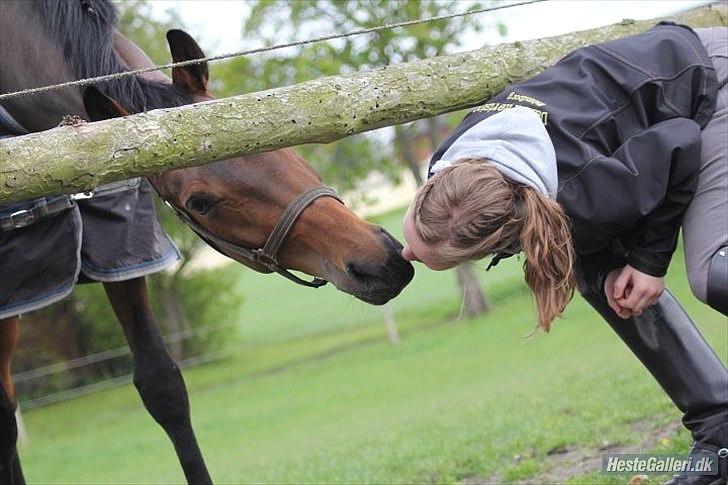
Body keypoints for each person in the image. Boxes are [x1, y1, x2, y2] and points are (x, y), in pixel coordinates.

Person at [402, 23, 727, 485]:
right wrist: (618, 267)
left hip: (709, 82)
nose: (407, 249)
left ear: (500, 243)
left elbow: (679, 141)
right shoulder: (455, 164)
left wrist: (649, 263)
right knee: (596, 273)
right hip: (662, 94)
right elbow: (573, 229)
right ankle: (720, 431)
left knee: (714, 271)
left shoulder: (582, 193)